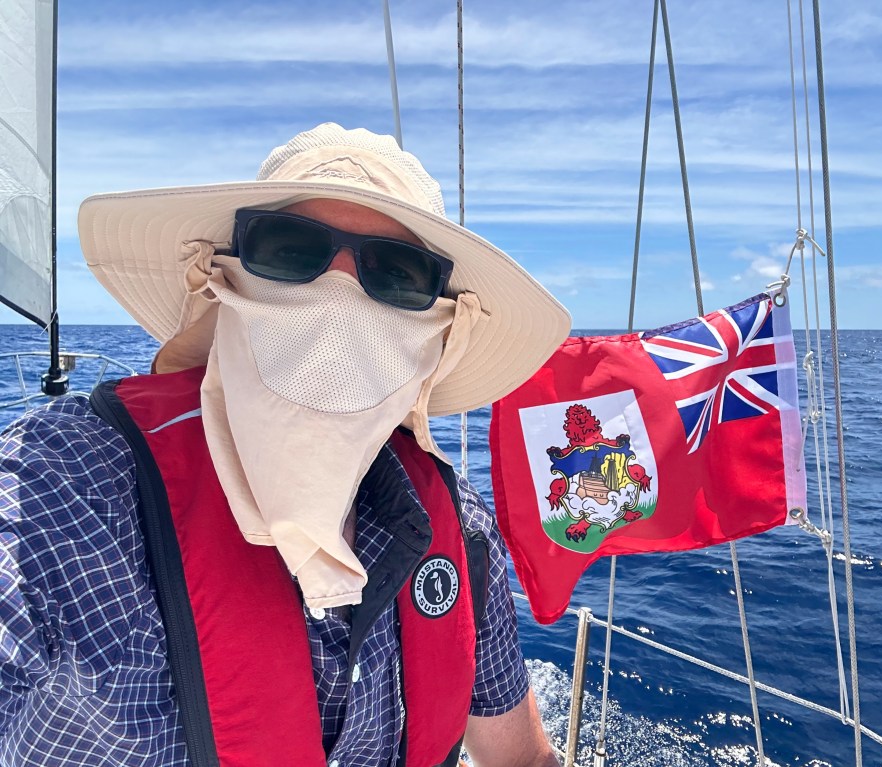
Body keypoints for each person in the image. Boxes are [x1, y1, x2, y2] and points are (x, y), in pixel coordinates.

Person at [0, 124, 570, 767]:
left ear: (439, 330)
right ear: (223, 280)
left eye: (397, 273)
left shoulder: (461, 528)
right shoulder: (60, 484)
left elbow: (522, 758)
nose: (338, 298)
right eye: (290, 250)